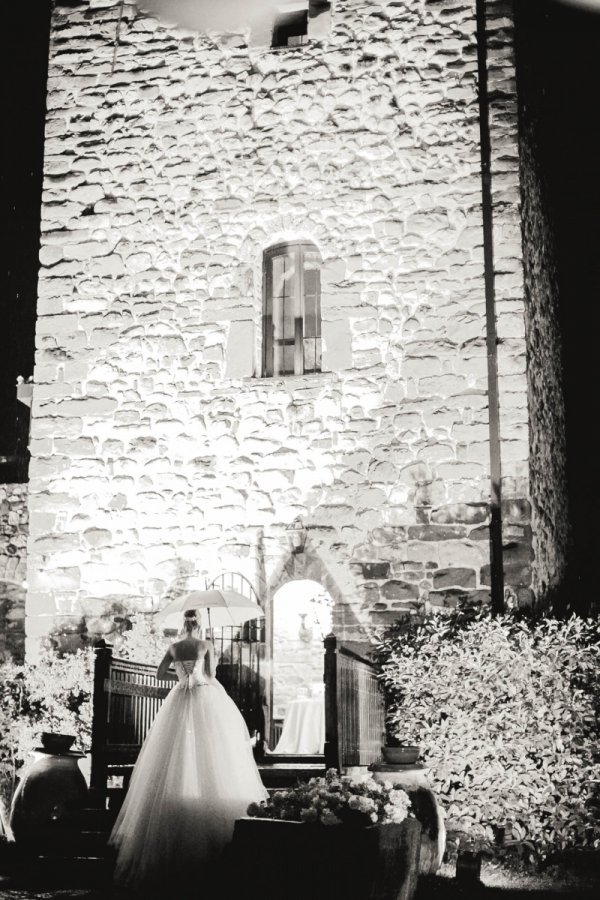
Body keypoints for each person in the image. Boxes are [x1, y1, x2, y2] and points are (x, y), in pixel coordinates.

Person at [109, 610, 268, 892]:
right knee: (211, 747)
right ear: (200, 624)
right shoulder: (206, 646)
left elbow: (160, 673)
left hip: (180, 696)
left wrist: (181, 677)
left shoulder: (173, 647)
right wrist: (201, 671)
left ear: (183, 625)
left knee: (175, 748)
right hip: (204, 695)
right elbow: (210, 674)